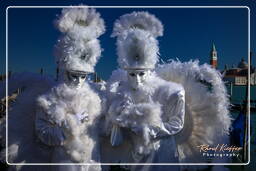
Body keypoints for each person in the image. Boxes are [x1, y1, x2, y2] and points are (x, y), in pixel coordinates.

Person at [101, 11, 185, 171]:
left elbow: (177, 123)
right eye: (132, 74)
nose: (137, 80)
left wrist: (149, 129)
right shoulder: (120, 92)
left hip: (160, 157)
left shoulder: (170, 92)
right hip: (133, 159)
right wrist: (118, 120)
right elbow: (114, 134)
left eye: (141, 74)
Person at [34, 7, 105, 171]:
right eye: (75, 75)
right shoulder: (50, 99)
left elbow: (101, 130)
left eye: (83, 76)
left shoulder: (95, 97)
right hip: (65, 162)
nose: (80, 80)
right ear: (66, 71)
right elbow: (42, 131)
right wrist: (69, 125)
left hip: (92, 161)